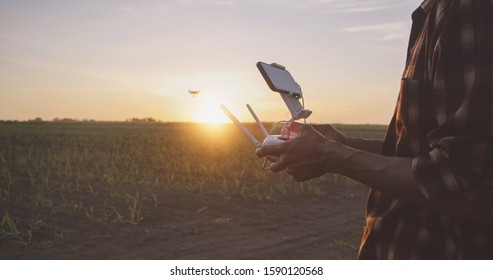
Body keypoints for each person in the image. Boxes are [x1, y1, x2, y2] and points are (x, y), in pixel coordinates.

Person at [256, 0, 493, 259]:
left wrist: (332, 156)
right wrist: (344, 143)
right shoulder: (433, 12)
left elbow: (467, 179)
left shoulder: (467, 8)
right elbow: (419, 150)